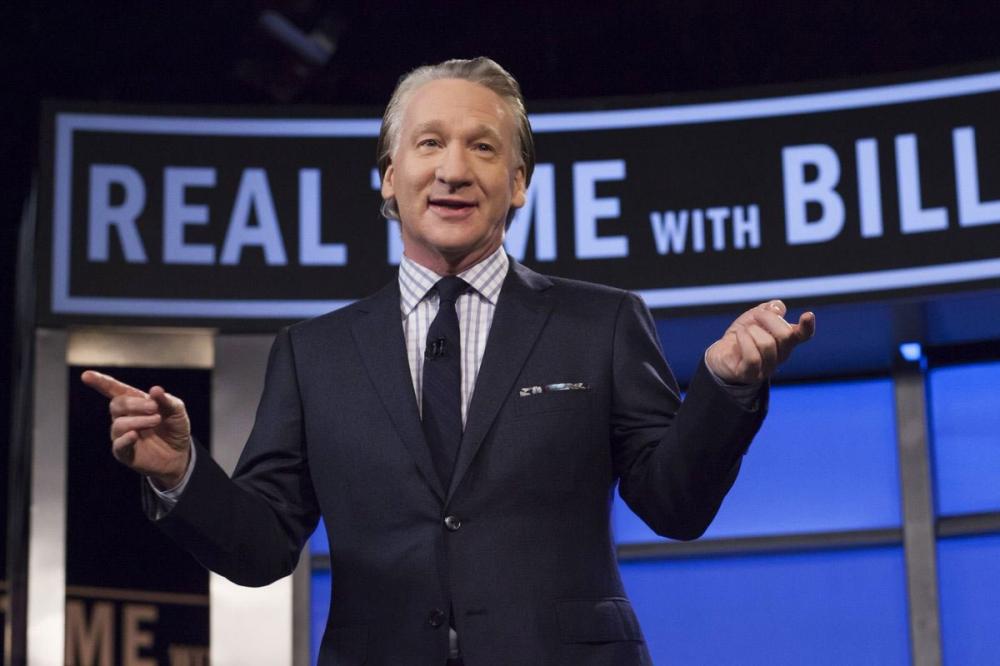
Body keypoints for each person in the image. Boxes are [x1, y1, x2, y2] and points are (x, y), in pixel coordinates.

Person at [83, 57, 815, 666]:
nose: (454, 170)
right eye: (430, 143)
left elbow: (674, 505)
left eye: (483, 147)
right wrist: (181, 474)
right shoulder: (313, 354)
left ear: (519, 182)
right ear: (389, 176)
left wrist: (724, 386)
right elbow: (261, 548)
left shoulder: (602, 322)